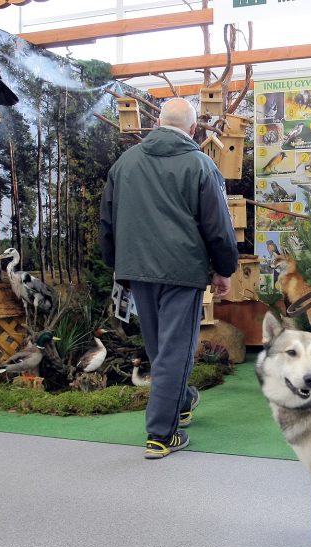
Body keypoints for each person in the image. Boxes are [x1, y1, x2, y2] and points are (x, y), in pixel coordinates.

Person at [100, 98, 239, 460]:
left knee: (160, 349)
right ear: (193, 129)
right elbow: (218, 226)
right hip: (182, 270)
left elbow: (108, 221)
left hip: (136, 270)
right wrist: (224, 269)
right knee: (174, 352)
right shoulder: (201, 165)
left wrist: (118, 264)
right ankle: (161, 434)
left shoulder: (124, 164)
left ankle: (182, 401)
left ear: (157, 123)